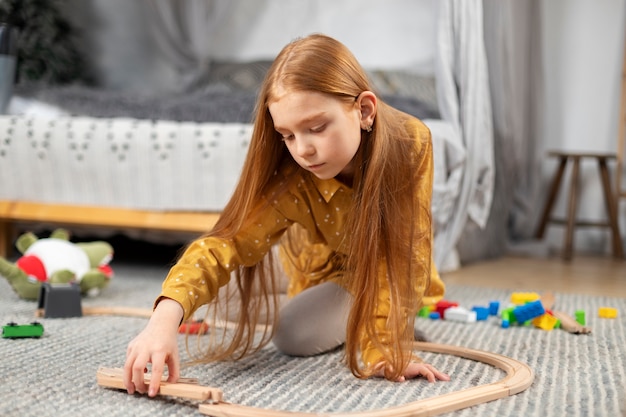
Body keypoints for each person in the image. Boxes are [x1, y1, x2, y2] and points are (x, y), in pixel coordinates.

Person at [124, 33, 449, 397]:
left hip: (371, 269)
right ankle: (318, 307)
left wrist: (383, 345)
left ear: (364, 110)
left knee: (292, 334)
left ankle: (357, 315)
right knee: (216, 295)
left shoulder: (410, 142)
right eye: (287, 136)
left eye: (316, 128)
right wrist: (163, 320)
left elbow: (404, 252)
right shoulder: (291, 177)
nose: (304, 150)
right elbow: (226, 243)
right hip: (306, 264)